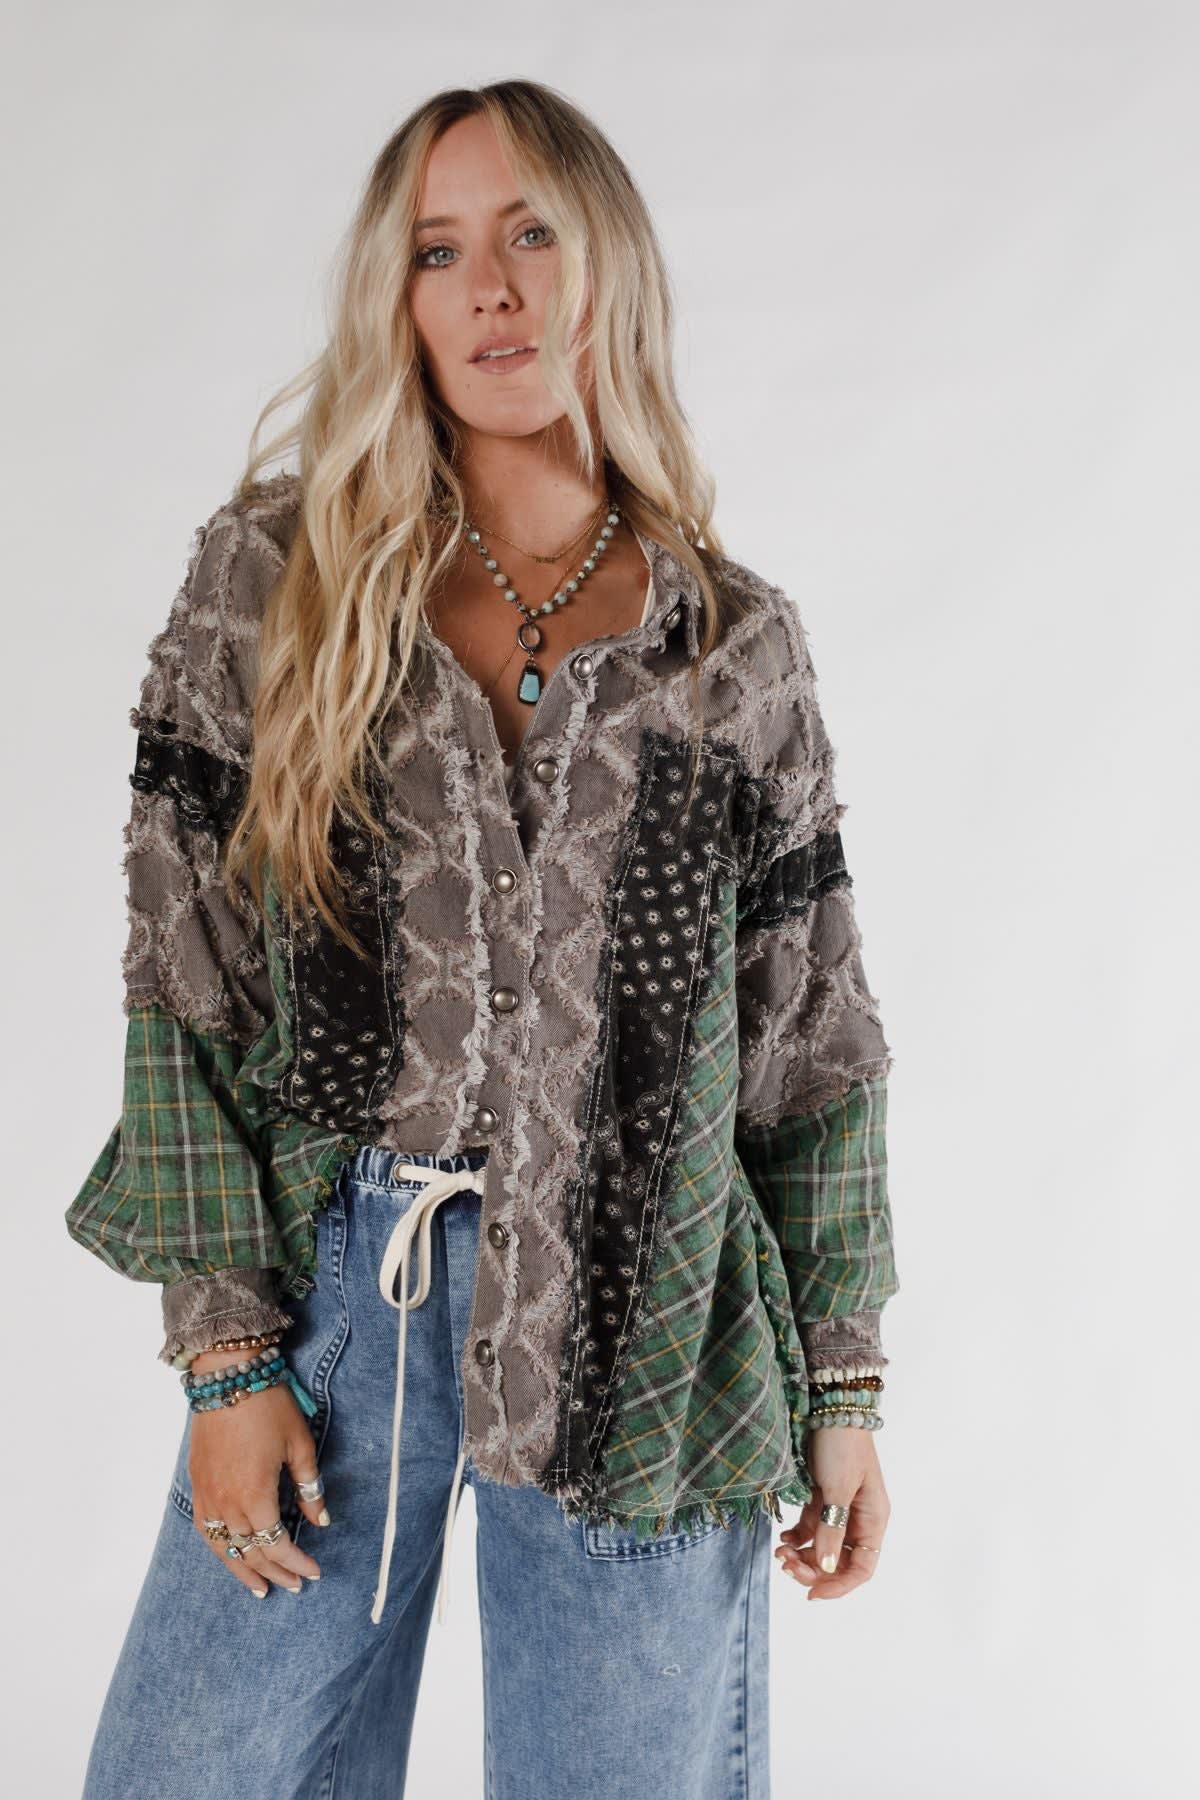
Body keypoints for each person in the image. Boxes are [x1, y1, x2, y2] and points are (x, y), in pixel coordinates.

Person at [66, 77, 900, 1800]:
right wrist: (226, 1357)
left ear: (609, 266)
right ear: (399, 297)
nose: (492, 287)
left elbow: (812, 1049)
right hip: (343, 1299)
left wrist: (845, 1392)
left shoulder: (732, 649)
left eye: (531, 233)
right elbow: (180, 979)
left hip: (651, 1321)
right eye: (439, 250)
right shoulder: (280, 581)